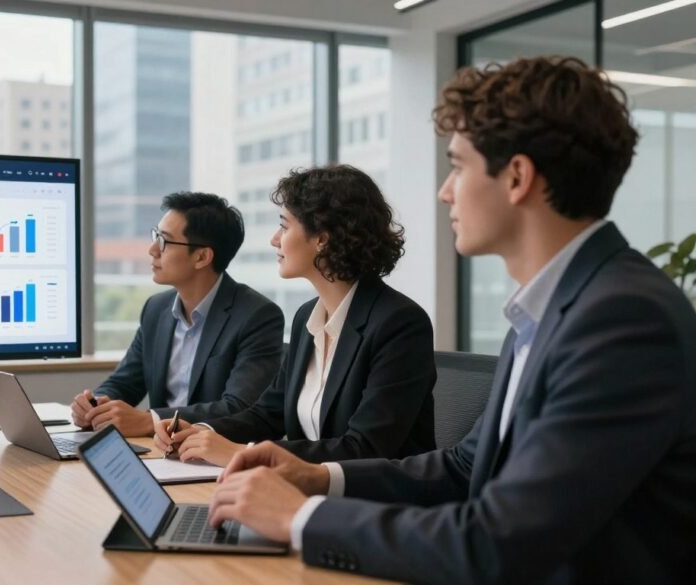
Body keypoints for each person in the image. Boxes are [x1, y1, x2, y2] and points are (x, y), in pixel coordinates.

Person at [206, 56, 696, 584]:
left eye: (458, 167)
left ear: (517, 177)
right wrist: (318, 477)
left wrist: (300, 518)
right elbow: (464, 467)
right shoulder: (552, 309)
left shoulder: (622, 319)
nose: (445, 191)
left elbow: (498, 544)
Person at [153, 165, 436, 465]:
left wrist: (243, 453)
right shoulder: (306, 318)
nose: (275, 239)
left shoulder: (399, 323)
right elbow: (268, 414)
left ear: (322, 238)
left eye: (285, 226)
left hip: (375, 493)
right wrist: (200, 432)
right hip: (308, 488)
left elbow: (365, 448)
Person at [70, 192, 284, 437]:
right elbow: (124, 383)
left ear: (201, 257)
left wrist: (151, 421)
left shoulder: (257, 316)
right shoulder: (156, 309)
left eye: (164, 241)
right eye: (156, 236)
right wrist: (94, 406)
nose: (152, 249)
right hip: (161, 450)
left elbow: (239, 407)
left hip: (214, 453)